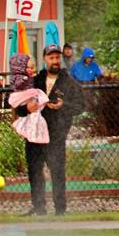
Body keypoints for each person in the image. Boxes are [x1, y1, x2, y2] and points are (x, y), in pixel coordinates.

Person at [15, 44, 84, 216]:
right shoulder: (34, 82)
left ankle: (60, 209)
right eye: (51, 57)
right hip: (34, 136)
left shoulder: (69, 83)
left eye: (57, 57)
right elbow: (19, 108)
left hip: (56, 136)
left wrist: (63, 105)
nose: (55, 61)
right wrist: (27, 109)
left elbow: (81, 106)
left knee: (57, 172)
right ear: (45, 59)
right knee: (35, 171)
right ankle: (39, 208)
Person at [7, 54, 49, 145]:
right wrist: (24, 78)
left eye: (32, 68)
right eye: (28, 68)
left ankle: (34, 132)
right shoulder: (19, 78)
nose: (31, 70)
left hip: (30, 96)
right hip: (23, 96)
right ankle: (25, 129)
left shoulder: (34, 78)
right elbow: (17, 84)